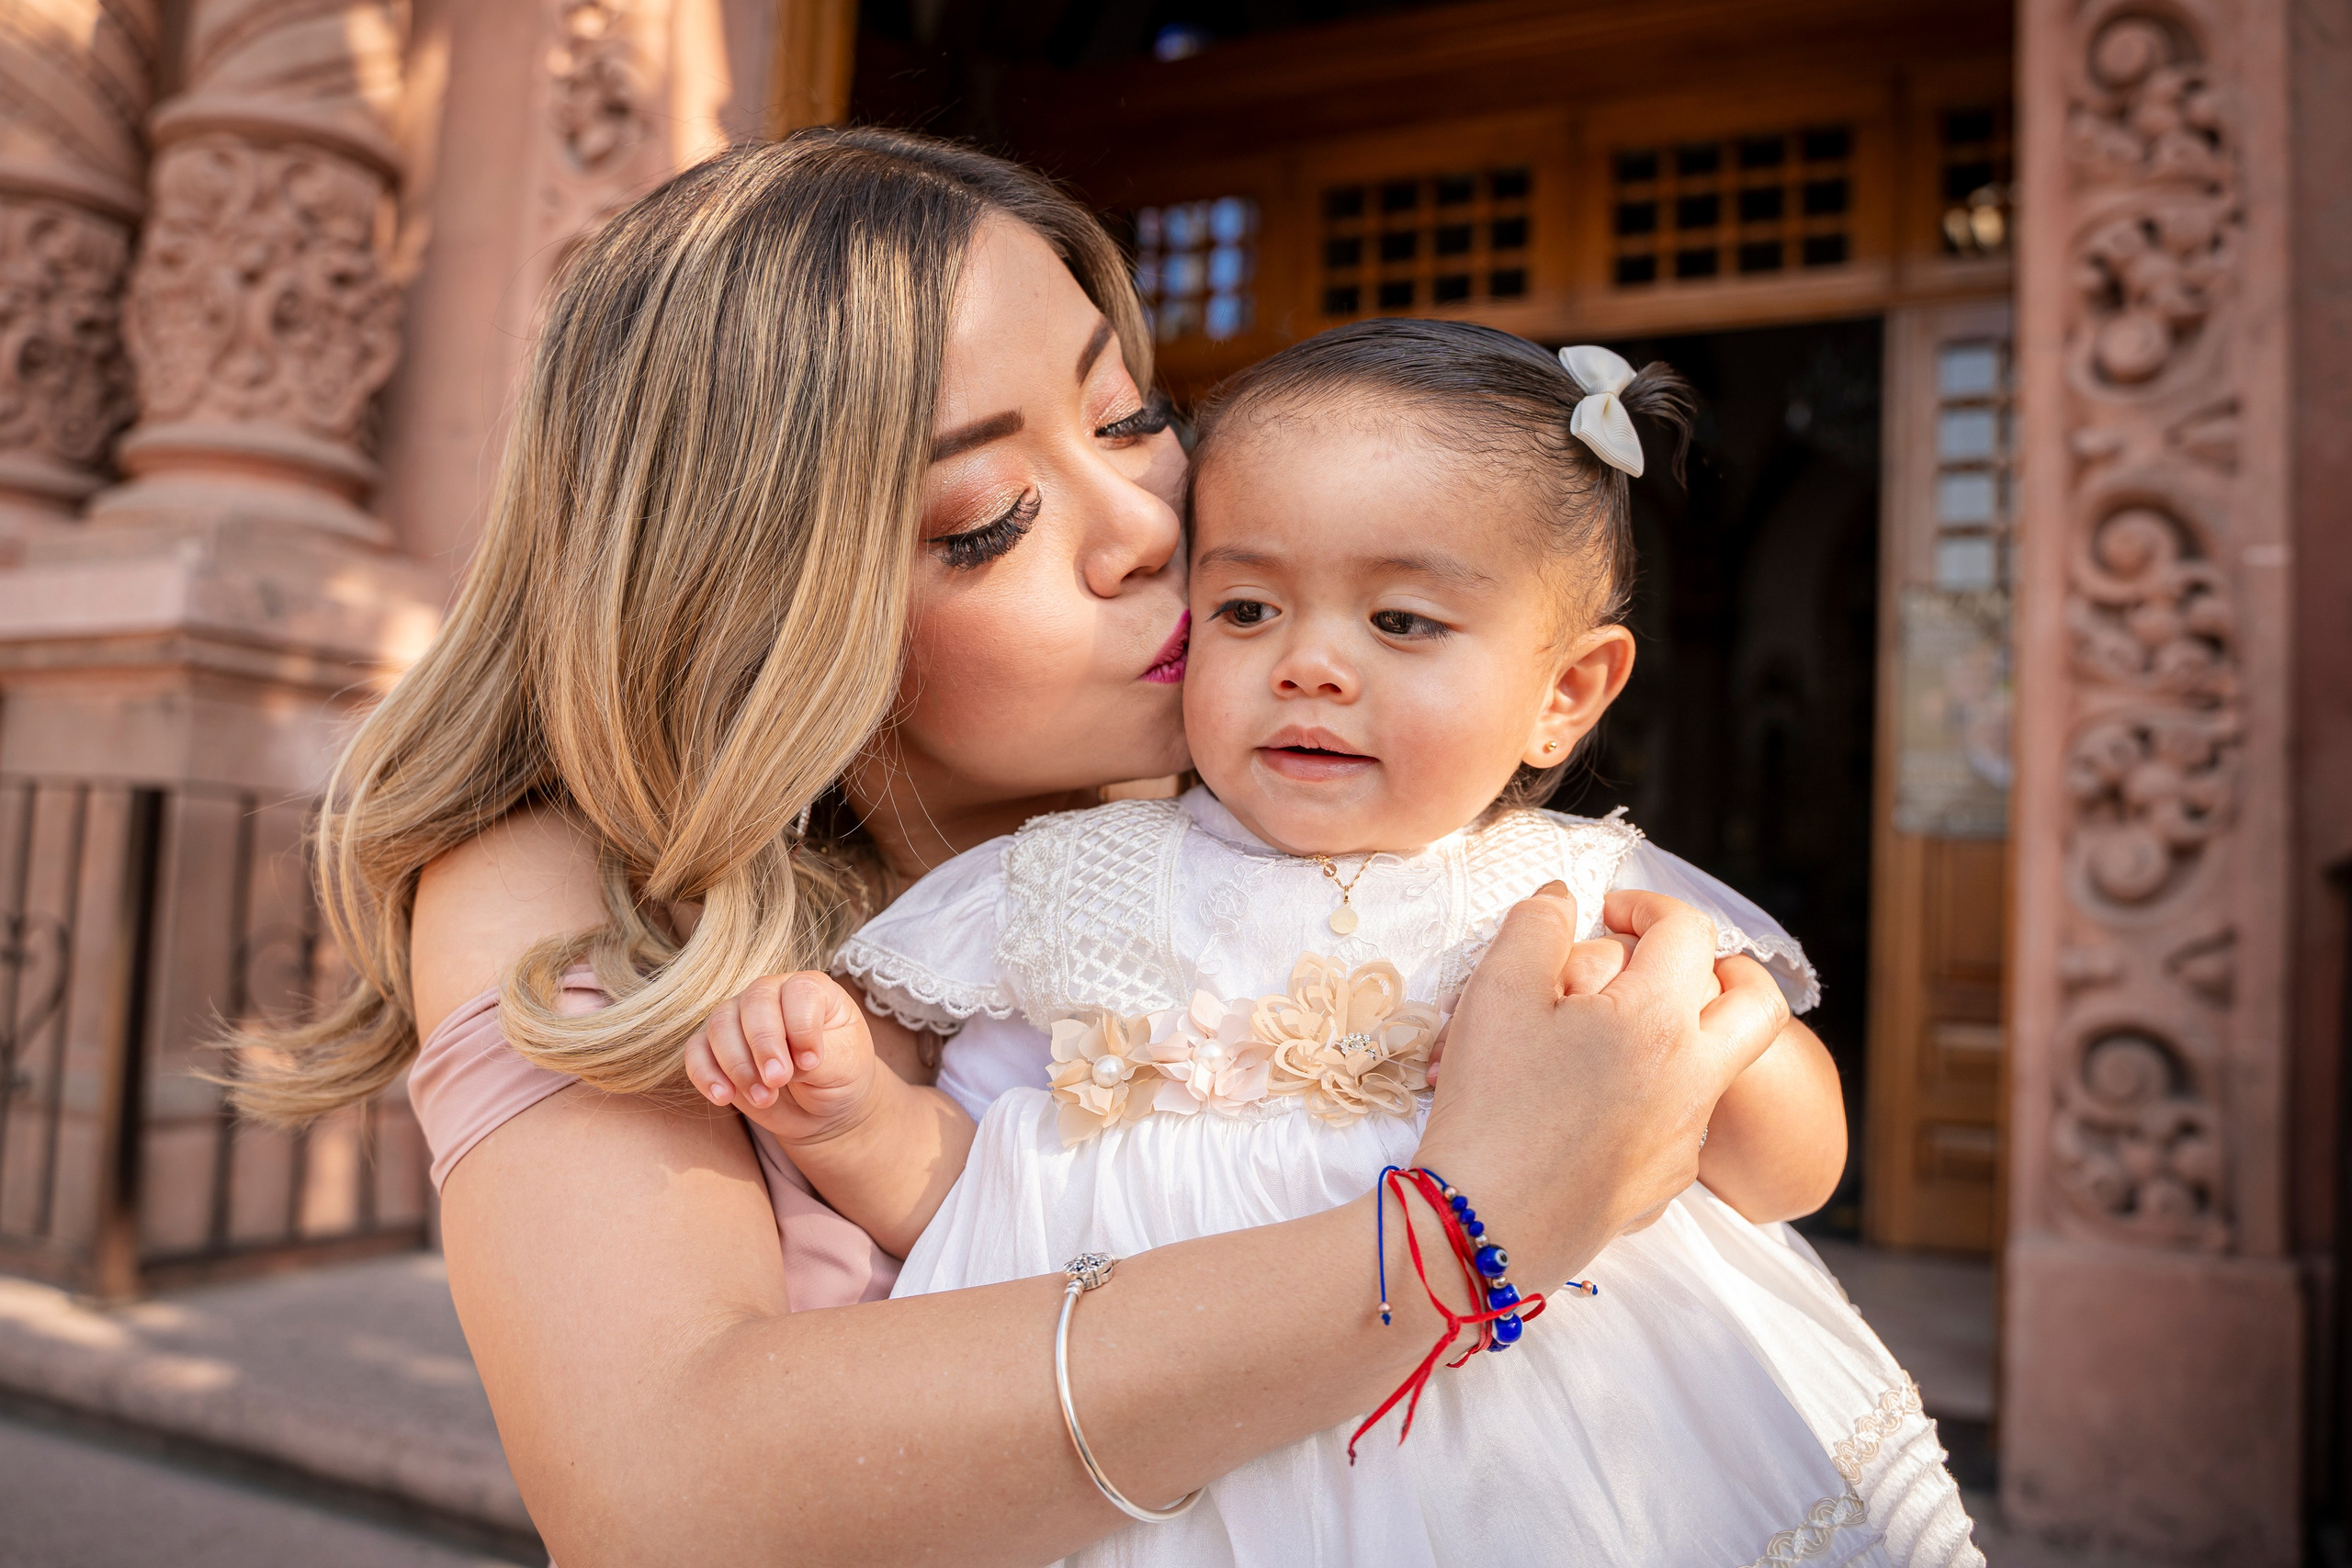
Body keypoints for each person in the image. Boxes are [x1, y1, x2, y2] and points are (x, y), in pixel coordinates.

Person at [234, 129, 1805, 1567]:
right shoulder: (560, 886)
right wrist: (1466, 1231)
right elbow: (662, 1494)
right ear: (754, 606)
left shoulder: (1275, 829)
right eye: (989, 514)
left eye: (1133, 417)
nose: (1142, 524)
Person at [686, 321, 1983, 1565]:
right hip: (1171, 1454)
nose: (1309, 664)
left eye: (1402, 622)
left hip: (1553, 1458)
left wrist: (1703, 1061)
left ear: (1566, 693)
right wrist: (845, 1114)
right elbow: (978, 1207)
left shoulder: (1576, 896)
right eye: (1246, 610)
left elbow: (1794, 1176)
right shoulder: (1065, 891)